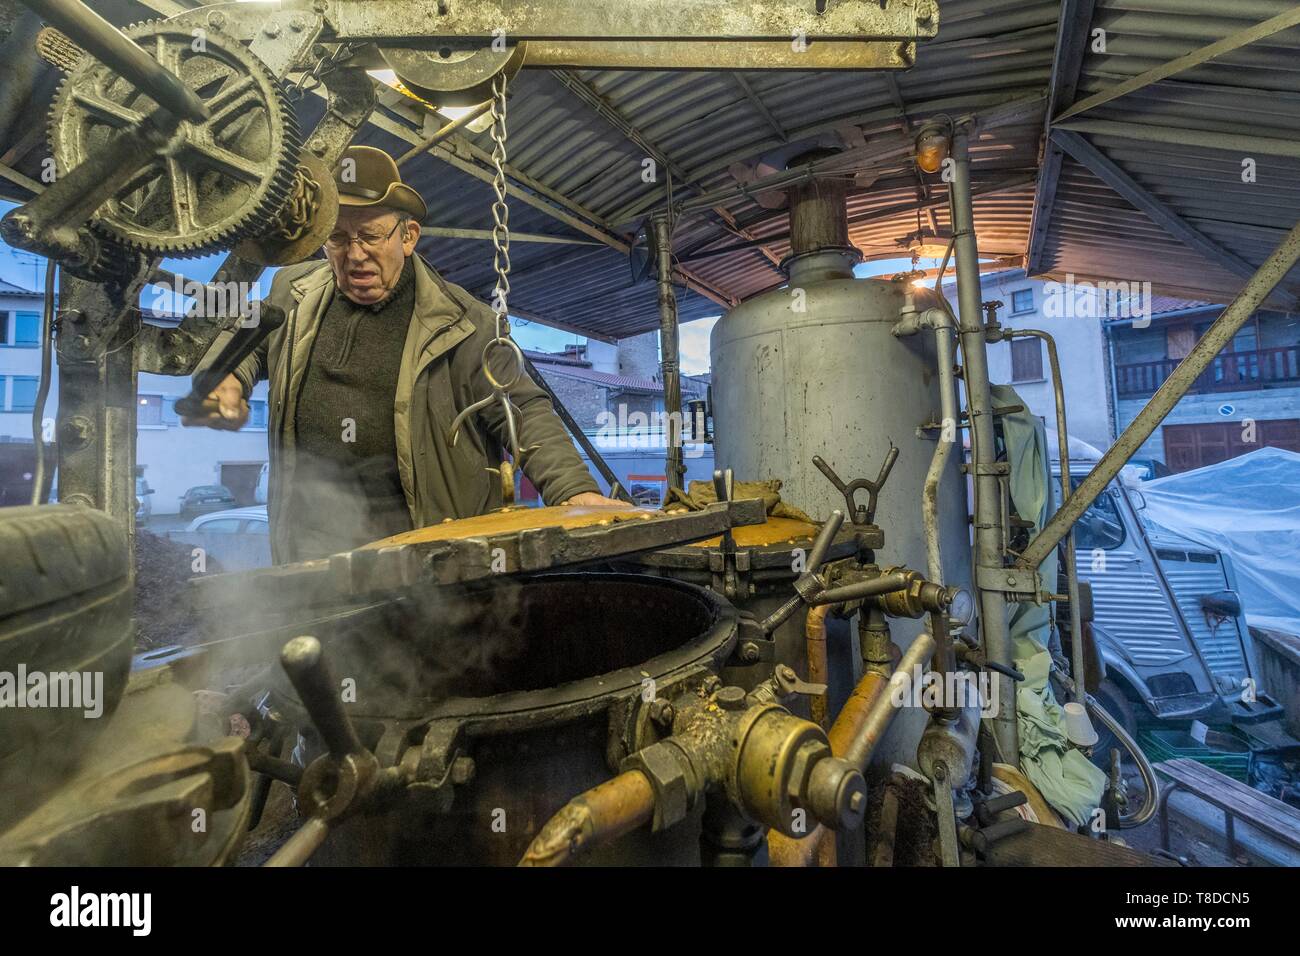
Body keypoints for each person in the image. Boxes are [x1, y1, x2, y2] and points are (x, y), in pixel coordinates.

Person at [184, 146, 623, 562]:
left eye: (370, 236)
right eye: (337, 238)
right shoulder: (292, 290)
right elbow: (246, 342)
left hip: (422, 553)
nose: (354, 255)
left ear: (408, 235)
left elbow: (523, 410)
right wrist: (226, 377)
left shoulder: (465, 324)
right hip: (309, 547)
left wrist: (572, 490)